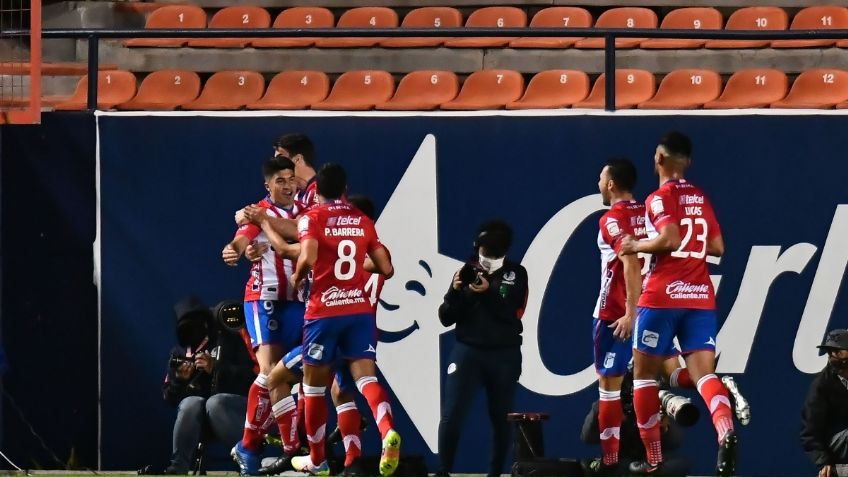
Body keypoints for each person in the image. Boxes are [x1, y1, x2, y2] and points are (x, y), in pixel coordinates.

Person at [619, 132, 737, 476]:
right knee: (703, 376)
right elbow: (717, 248)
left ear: (659, 158)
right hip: (700, 296)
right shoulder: (700, 197)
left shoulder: (659, 197)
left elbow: (669, 239)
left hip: (662, 297)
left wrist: (635, 245)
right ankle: (725, 430)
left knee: (644, 378)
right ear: (688, 161)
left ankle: (654, 460)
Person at [289, 163, 398, 476]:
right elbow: (387, 268)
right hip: (359, 312)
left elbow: (307, 256)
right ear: (344, 190)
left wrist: (298, 277)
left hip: (324, 312)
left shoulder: (312, 217)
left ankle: (318, 459)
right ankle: (387, 430)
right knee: (365, 381)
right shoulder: (363, 221)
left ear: (316, 191)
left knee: (312, 388)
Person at [221, 157, 307, 475]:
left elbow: (302, 233)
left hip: (299, 301)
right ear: (268, 185)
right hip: (264, 299)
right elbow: (242, 239)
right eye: (280, 180)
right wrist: (234, 249)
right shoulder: (257, 211)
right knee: (271, 371)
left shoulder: (305, 211)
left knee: (296, 373)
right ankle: (284, 449)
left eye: (291, 179)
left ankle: (251, 444)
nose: (287, 185)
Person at [436, 220, 528, 477]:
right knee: (451, 415)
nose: (483, 257)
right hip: (468, 352)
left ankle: (494, 474)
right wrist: (457, 293)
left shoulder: (516, 274)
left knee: (501, 418)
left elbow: (511, 313)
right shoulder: (466, 271)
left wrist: (488, 292)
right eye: (482, 251)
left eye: (489, 252)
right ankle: (443, 471)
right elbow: (445, 317)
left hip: (504, 354)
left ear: (502, 251)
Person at [142, 296, 256, 475]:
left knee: (215, 402)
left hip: (233, 411)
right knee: (190, 402)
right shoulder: (179, 354)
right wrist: (180, 380)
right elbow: (170, 399)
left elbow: (252, 378)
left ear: (205, 323)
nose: (192, 330)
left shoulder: (228, 341)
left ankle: (249, 458)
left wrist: (216, 369)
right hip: (200, 420)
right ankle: (178, 466)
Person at [590, 158, 647, 475]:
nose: (598, 183)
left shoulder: (612, 219)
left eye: (600, 177)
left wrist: (630, 313)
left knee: (609, 389)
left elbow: (628, 262)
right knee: (650, 381)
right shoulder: (650, 213)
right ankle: (652, 459)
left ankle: (609, 464)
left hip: (615, 314)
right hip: (654, 308)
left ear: (611, 184)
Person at [801, 329, 848, 477]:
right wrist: (823, 461)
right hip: (834, 444)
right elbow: (809, 432)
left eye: (838, 351)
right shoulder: (822, 385)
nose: (832, 357)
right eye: (829, 352)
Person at [274, 133, 319, 208]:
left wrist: (266, 219)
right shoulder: (293, 193)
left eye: (280, 159)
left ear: (298, 159)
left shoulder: (326, 191)